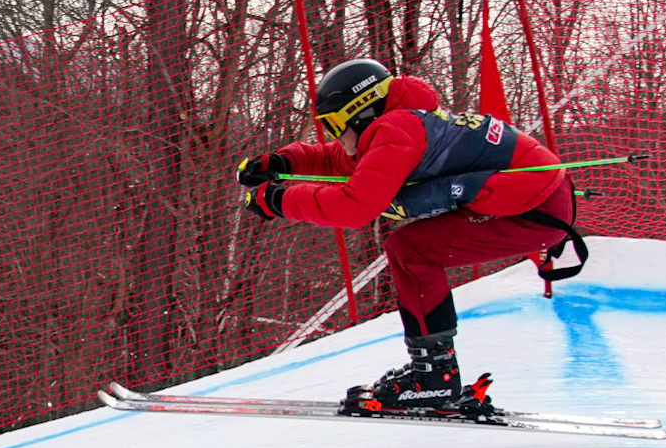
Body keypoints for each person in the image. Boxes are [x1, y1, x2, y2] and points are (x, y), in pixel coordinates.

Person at [235, 58, 584, 411]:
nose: (336, 136)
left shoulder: (397, 129)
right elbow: (345, 163)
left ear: (361, 110)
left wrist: (279, 200)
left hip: (534, 210)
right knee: (408, 249)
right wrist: (284, 162)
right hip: (535, 201)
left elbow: (355, 208)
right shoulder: (398, 124)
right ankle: (434, 370)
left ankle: (435, 375)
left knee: (412, 252)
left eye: (336, 125)